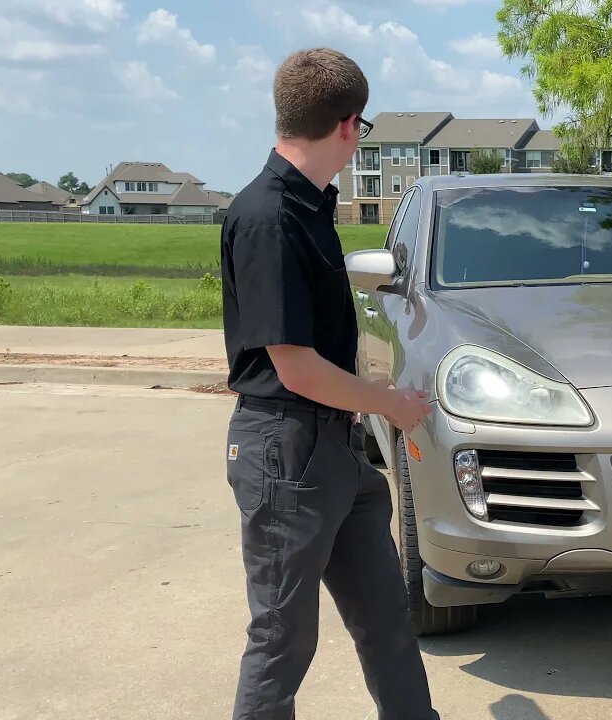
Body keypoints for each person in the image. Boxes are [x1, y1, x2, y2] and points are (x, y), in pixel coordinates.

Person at [220, 48, 441, 720]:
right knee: (284, 639)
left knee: (385, 620)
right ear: (348, 126)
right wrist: (394, 406)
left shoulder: (312, 206)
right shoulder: (268, 217)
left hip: (335, 449)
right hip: (286, 453)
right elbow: (295, 366)